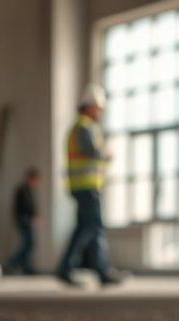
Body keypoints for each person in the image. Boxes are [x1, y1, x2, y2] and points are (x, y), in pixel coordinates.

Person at [57, 84, 124, 288]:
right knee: (94, 227)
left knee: (86, 228)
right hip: (86, 186)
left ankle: (71, 269)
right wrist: (106, 154)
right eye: (99, 108)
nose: (101, 113)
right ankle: (97, 270)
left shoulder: (82, 127)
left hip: (85, 186)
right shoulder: (84, 127)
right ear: (89, 106)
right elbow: (92, 151)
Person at [7, 167, 40, 274]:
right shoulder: (22, 190)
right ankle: (13, 263)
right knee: (28, 244)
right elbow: (23, 207)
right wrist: (29, 217)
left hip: (28, 220)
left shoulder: (30, 190)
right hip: (24, 221)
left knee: (29, 244)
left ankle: (24, 266)